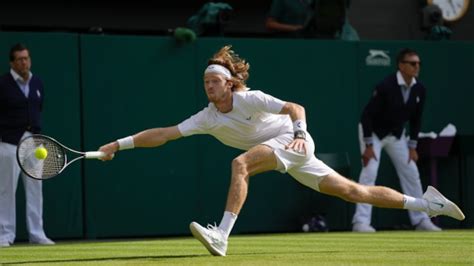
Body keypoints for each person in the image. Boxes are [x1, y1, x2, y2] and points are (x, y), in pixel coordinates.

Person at [98, 45, 464, 256]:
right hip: (288, 153)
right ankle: (427, 203)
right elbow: (164, 134)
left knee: (239, 163)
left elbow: (295, 107)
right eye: (206, 82)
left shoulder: (249, 99)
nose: (209, 86)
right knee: (355, 192)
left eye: (215, 81)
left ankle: (221, 235)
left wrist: (301, 134)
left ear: (230, 83)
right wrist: (118, 145)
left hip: (291, 140)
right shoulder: (207, 117)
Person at [352, 48, 441, 232]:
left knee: (411, 174)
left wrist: (412, 146)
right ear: (401, 65)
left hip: (397, 136)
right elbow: (366, 116)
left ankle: (421, 220)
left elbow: (416, 119)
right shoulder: (385, 86)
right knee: (369, 173)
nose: (417, 67)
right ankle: (360, 222)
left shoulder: (419, 89)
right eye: (412, 63)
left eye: (419, 64)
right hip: (373, 134)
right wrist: (368, 145)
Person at [0, 43, 54, 247]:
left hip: (33, 143)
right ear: (12, 63)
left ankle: (37, 233)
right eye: (20, 59)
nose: (24, 62)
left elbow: (38, 108)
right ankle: (4, 235)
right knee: (6, 190)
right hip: (8, 142)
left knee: (35, 189)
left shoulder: (37, 82)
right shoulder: (3, 84)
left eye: (26, 58)